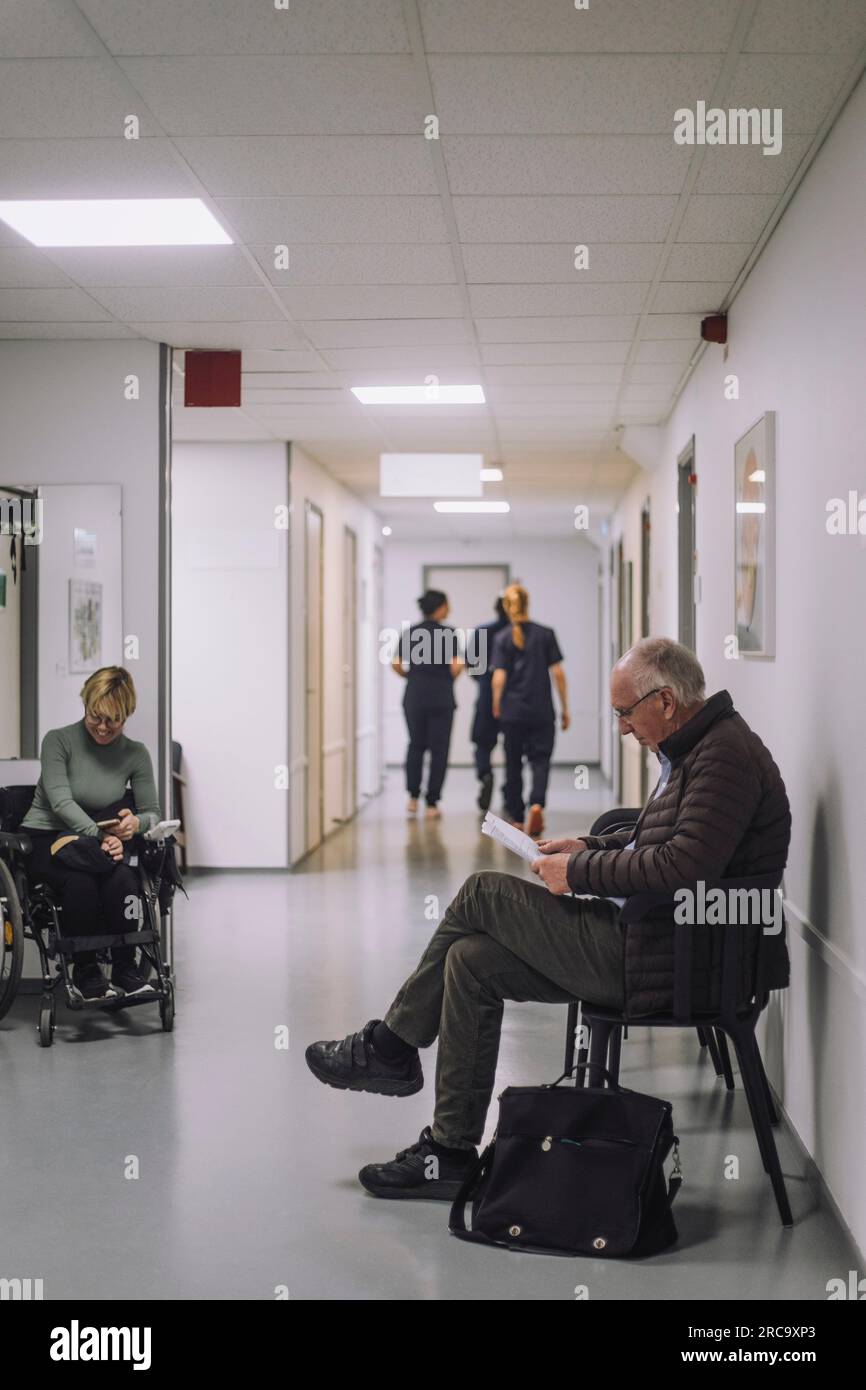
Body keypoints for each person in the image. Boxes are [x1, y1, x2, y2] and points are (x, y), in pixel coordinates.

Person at [305, 637, 791, 1201]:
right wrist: (586, 843)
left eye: (625, 712)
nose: (623, 728)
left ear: (663, 701)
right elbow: (656, 837)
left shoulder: (723, 755)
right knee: (470, 961)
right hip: (651, 944)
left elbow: (684, 866)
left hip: (669, 964)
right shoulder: (696, 746)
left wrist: (580, 872)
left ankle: (390, 1046)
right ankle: (450, 1151)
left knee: (482, 892)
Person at [20, 666, 162, 1000]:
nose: (102, 727)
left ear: (127, 714)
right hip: (45, 837)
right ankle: (86, 972)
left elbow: (151, 810)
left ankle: (126, 969)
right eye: (94, 716)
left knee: (125, 880)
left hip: (97, 842)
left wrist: (134, 824)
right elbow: (61, 803)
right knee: (80, 882)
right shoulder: (59, 740)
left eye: (112, 720)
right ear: (85, 705)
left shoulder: (136, 754)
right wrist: (104, 838)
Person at [490, 582, 569, 838]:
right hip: (541, 711)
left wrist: (496, 704)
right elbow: (558, 673)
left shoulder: (502, 638)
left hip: (513, 712)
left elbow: (499, 677)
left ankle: (516, 817)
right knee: (540, 760)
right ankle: (537, 804)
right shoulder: (546, 634)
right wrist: (565, 708)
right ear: (528, 603)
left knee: (513, 763)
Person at [392, 589, 464, 819]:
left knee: (416, 745)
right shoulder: (449, 634)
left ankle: (413, 798)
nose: (449, 609)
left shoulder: (410, 632)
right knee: (439, 750)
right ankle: (432, 804)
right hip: (441, 697)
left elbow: (395, 663)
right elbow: (455, 666)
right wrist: (450, 675)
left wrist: (409, 676)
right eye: (447, 605)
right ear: (439, 607)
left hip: (414, 696)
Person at [468, 595, 509, 813]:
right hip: (515, 698)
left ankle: (485, 774)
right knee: (514, 748)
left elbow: (471, 665)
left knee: (482, 743)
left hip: (486, 696)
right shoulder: (522, 633)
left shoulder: (482, 632)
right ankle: (510, 793)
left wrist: (484, 682)